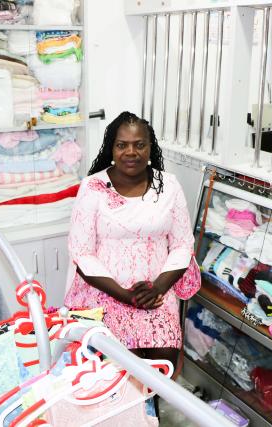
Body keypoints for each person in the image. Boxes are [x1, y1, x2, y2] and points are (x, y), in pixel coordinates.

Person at [64, 111, 201, 368]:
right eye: (122, 145)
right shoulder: (93, 187)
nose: (131, 152)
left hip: (157, 293)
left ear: (150, 148)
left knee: (165, 361)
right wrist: (126, 296)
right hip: (105, 294)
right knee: (123, 369)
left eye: (139, 145)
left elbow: (183, 244)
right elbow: (82, 253)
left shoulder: (169, 185)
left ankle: (154, 408)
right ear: (111, 148)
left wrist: (158, 287)